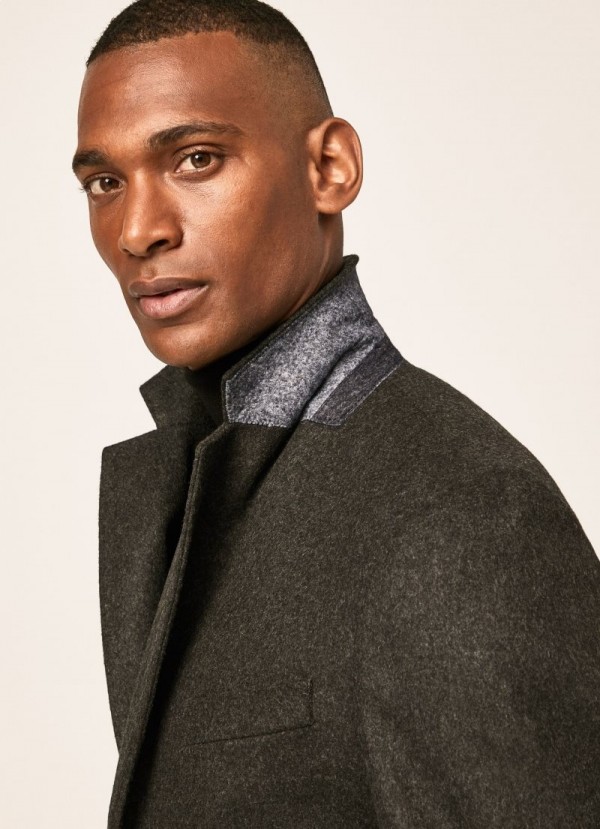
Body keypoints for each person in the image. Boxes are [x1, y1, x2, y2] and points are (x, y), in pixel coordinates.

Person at [73, 1, 600, 826]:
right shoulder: (187, 483)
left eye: (197, 159)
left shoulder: (463, 519)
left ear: (331, 168)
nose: (137, 230)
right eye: (105, 183)